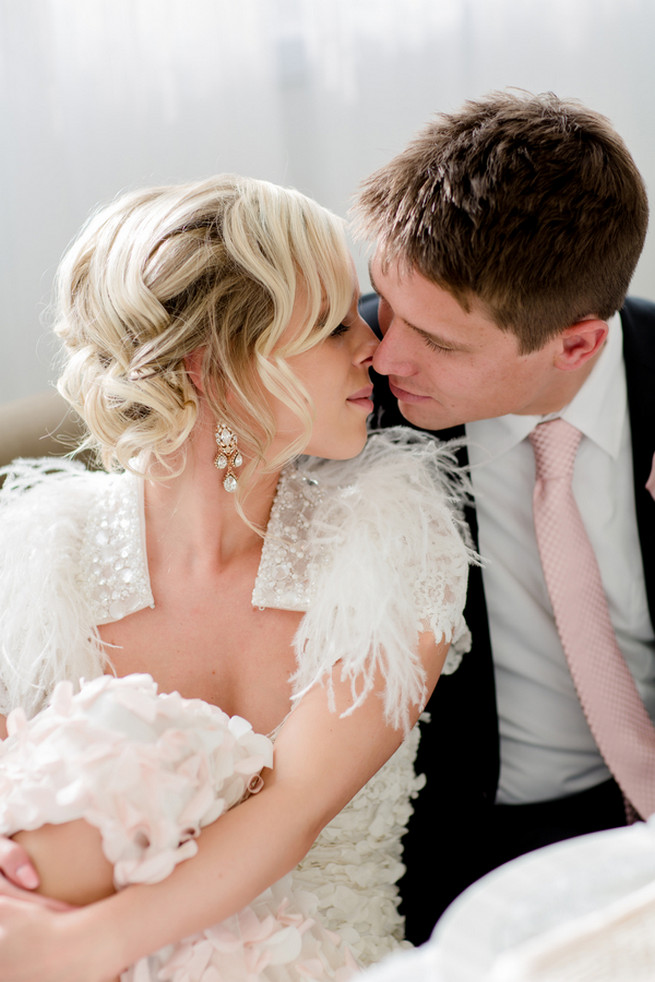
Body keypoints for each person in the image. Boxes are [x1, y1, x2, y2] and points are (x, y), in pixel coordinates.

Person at [0, 174, 474, 981]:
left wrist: (79, 950)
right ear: (211, 362)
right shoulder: (40, 551)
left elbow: (291, 809)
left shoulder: (389, 533)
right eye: (329, 326)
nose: (370, 345)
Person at [353, 89, 655, 944]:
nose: (383, 352)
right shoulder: (341, 402)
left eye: (439, 341)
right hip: (466, 848)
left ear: (576, 345)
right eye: (386, 304)